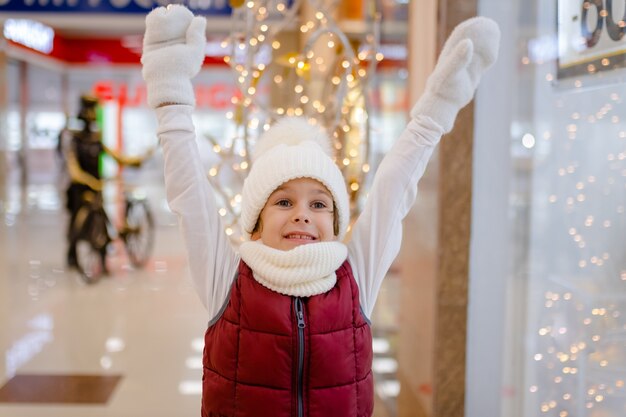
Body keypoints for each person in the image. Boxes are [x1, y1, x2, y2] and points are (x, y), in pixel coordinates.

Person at [141, 5, 499, 417]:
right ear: (255, 223)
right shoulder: (229, 281)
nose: (302, 214)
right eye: (283, 201)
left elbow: (393, 190)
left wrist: (435, 112)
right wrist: (170, 100)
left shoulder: (355, 279)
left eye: (318, 203)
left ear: (335, 223)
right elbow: (190, 196)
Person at [64, 94, 146, 271]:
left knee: (99, 222)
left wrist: (134, 161)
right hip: (80, 188)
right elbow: (73, 168)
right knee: (77, 223)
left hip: (97, 186)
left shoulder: (96, 140)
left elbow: (116, 156)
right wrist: (86, 180)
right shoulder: (75, 139)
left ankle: (103, 259)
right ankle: (72, 255)